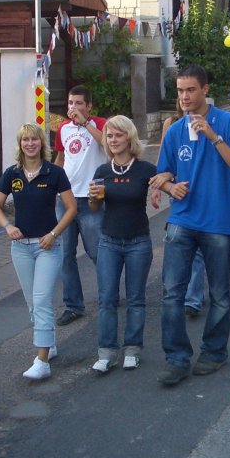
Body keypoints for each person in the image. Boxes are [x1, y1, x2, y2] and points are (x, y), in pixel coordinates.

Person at [149, 65, 230, 385]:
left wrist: (213, 137)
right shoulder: (174, 130)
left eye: (190, 90)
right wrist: (170, 187)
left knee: (219, 292)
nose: (184, 97)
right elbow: (162, 173)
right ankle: (176, 358)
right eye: (180, 91)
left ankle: (214, 352)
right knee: (171, 293)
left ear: (205, 90)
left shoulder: (229, 122)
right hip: (182, 219)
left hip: (219, 221)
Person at [0, 123, 76, 380]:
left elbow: (71, 209)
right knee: (32, 303)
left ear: (42, 143)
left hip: (46, 246)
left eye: (34, 139)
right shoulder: (12, 174)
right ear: (20, 144)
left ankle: (42, 361)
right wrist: (7, 226)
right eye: (25, 140)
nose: (30, 144)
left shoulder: (55, 173)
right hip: (20, 249)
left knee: (41, 300)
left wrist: (54, 234)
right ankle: (49, 345)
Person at [87, 116, 155, 372]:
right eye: (109, 136)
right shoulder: (102, 172)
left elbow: (165, 184)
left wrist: (162, 189)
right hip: (109, 241)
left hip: (139, 241)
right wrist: (93, 198)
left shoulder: (145, 169)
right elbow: (95, 208)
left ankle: (132, 349)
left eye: (118, 135)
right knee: (106, 299)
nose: (113, 140)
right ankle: (106, 352)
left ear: (129, 138)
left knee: (136, 299)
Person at [53, 85, 107, 327]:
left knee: (97, 252)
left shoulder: (100, 124)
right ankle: (73, 305)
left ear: (89, 106)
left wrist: (85, 124)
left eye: (78, 103)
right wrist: (52, 184)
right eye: (70, 103)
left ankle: (108, 295)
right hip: (66, 199)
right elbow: (61, 157)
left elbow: (107, 144)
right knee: (65, 255)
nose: (72, 107)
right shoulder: (63, 128)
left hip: (91, 198)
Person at [158, 113, 206, 318]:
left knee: (198, 250)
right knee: (179, 246)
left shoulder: (207, 123)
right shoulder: (172, 125)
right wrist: (161, 185)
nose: (185, 99)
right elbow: (164, 159)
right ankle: (180, 294)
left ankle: (193, 298)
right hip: (179, 193)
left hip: (202, 194)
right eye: (180, 96)